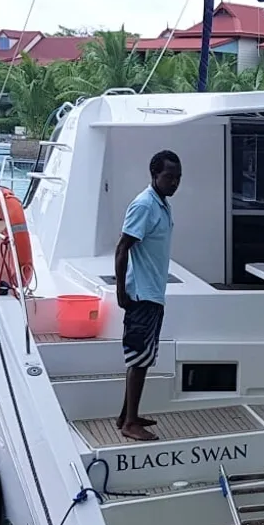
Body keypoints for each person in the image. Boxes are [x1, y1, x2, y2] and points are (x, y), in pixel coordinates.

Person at [114, 150, 181, 442]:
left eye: (178, 178)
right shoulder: (144, 205)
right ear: (154, 175)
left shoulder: (162, 204)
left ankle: (127, 414)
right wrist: (121, 292)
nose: (174, 183)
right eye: (169, 177)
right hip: (142, 295)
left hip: (154, 293)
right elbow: (122, 248)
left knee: (145, 356)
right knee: (139, 359)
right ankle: (130, 423)